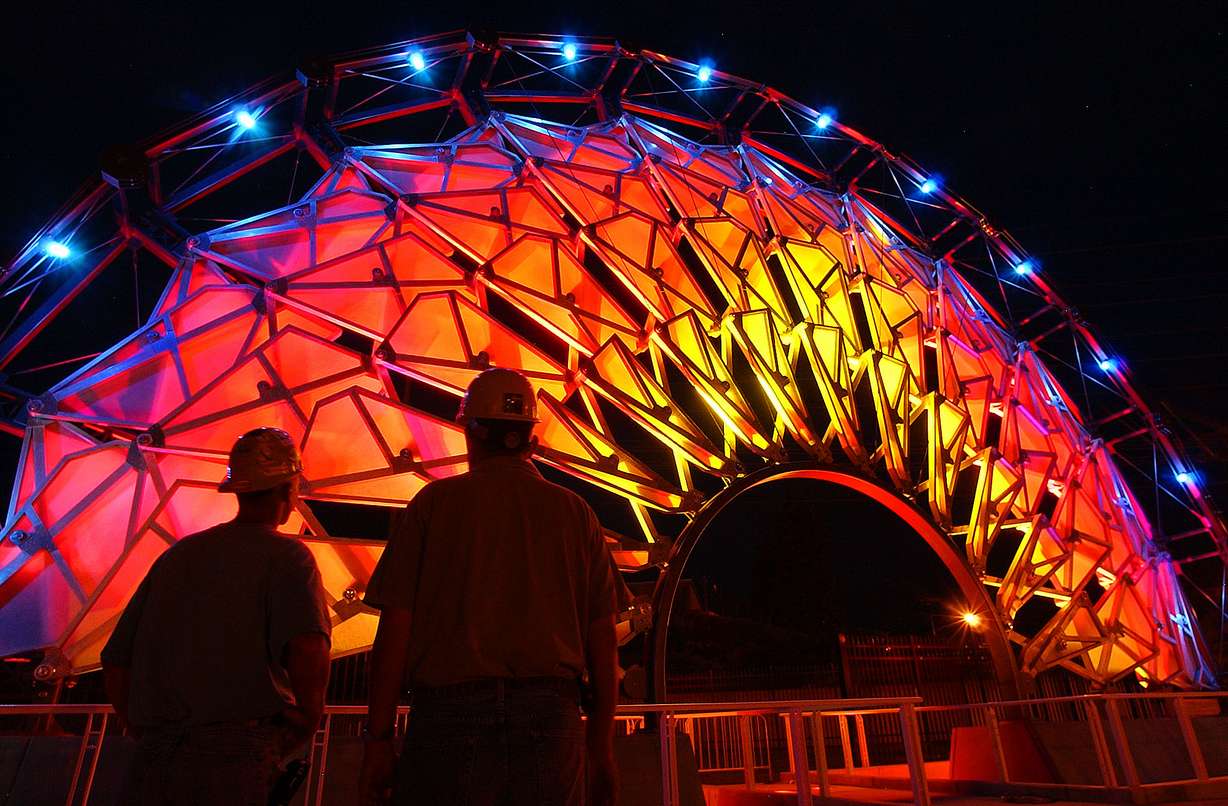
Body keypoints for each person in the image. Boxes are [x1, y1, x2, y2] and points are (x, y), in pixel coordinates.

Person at [360, 367, 620, 806]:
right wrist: (600, 749)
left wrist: (378, 741)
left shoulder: (433, 507)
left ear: (470, 433)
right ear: (532, 441)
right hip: (552, 715)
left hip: (447, 717)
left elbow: (395, 632)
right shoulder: (576, 515)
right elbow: (602, 640)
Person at [101, 427, 332, 806]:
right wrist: (307, 719)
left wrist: (142, 728)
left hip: (156, 755)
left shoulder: (178, 557)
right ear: (289, 490)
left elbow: (116, 661)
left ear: (237, 490)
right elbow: (308, 650)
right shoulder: (289, 558)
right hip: (237, 755)